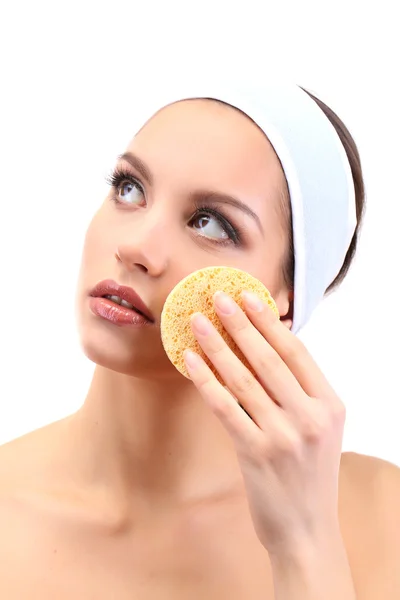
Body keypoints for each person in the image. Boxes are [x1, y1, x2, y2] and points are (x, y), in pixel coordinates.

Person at [0, 79, 399, 599]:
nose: (136, 247)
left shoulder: (384, 517)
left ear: (285, 300)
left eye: (210, 224)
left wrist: (305, 543)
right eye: (129, 188)